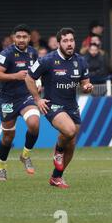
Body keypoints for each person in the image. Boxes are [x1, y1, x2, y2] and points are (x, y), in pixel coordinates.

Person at [25, 28, 93, 188]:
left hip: (72, 106)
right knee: (70, 131)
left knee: (72, 142)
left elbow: (85, 82)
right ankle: (58, 150)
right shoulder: (47, 60)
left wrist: (87, 87)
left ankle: (56, 177)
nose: (69, 44)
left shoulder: (81, 61)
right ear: (58, 43)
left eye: (71, 40)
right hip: (52, 104)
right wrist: (37, 100)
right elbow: (29, 78)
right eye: (65, 41)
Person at [0, 24, 40, 181]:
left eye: (24, 37)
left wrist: (39, 82)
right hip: (8, 99)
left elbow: (38, 72)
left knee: (34, 123)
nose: (21, 39)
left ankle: (25, 155)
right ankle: (1, 167)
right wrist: (15, 76)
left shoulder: (33, 53)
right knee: (8, 136)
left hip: (26, 97)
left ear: (29, 38)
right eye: (18, 37)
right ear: (13, 38)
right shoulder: (6, 54)